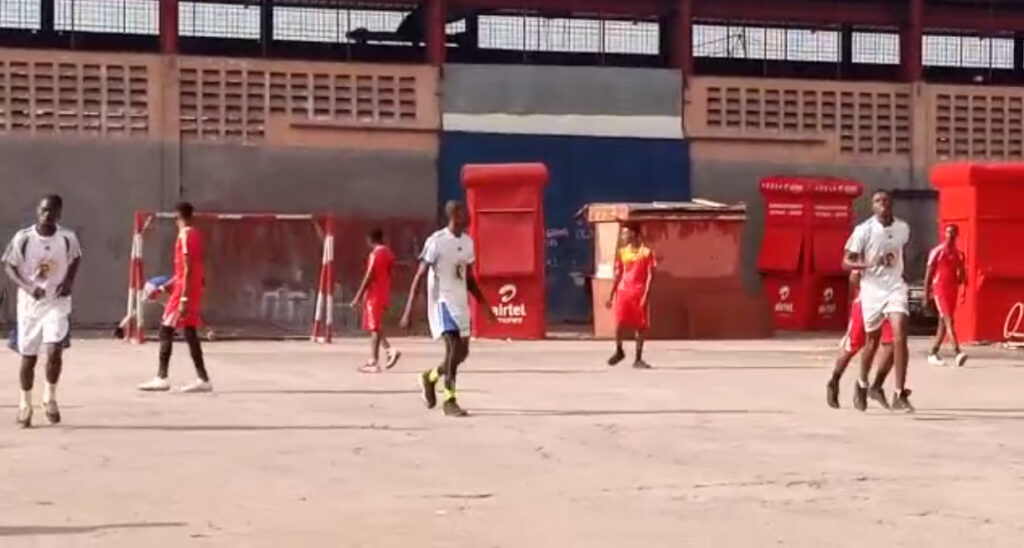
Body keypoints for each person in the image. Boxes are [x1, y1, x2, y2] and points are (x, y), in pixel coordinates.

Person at [399, 201, 494, 417]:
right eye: (463, 212)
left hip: (461, 302)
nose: (467, 215)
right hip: (442, 302)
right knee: (451, 348)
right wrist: (408, 310)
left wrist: (484, 304)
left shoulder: (468, 243)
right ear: (454, 214)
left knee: (461, 353)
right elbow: (420, 275)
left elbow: (468, 278)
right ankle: (450, 401)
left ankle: (430, 377)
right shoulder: (437, 242)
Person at [3, 195, 82, 428]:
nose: (47, 214)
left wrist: (68, 281)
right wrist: (28, 286)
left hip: (56, 302)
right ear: (38, 211)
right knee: (28, 358)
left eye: (52, 211)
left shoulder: (67, 238)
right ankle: (25, 404)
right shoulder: (24, 238)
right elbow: (9, 264)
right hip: (30, 305)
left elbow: (76, 258)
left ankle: (49, 397)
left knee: (54, 348)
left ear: (59, 214)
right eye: (44, 210)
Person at [843, 189, 913, 412]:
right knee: (871, 342)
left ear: (891, 203)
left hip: (895, 287)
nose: (882, 203)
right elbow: (846, 261)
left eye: (885, 200)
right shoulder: (863, 230)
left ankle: (899, 393)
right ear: (872, 206)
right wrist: (869, 265)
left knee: (899, 335)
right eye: (877, 200)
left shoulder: (902, 228)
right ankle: (862, 384)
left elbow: (903, 253)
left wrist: (905, 275)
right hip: (872, 288)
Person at [137, 202, 211, 393]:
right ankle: (203, 378)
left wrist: (183, 297)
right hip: (189, 288)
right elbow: (186, 270)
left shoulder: (185, 236)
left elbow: (187, 268)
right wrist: (165, 286)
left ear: (178, 217)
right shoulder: (196, 235)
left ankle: (162, 377)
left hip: (184, 292)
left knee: (166, 328)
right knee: (189, 331)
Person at [826, 271, 895, 409]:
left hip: (889, 304)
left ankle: (875, 386)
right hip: (866, 304)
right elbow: (854, 277)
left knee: (893, 345)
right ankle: (835, 380)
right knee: (853, 345)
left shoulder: (897, 253)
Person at [349, 228, 401, 373]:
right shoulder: (388, 253)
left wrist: (358, 296)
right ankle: (389, 350)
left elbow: (369, 275)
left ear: (370, 239)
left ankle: (375, 360)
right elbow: (391, 271)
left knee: (374, 328)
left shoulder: (375, 254)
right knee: (376, 327)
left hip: (374, 294)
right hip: (383, 292)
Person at [605, 223, 655, 369]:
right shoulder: (622, 253)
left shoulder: (646, 253)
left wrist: (646, 295)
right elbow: (618, 274)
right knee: (619, 323)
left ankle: (638, 358)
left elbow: (650, 277)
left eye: (625, 233)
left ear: (634, 234)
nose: (623, 236)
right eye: (622, 233)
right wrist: (611, 295)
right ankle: (619, 350)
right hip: (623, 292)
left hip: (638, 293)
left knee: (640, 326)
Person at [925, 224, 967, 367]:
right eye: (948, 232)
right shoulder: (938, 251)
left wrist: (962, 275)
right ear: (945, 234)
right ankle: (957, 352)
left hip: (952, 290)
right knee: (949, 320)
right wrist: (926, 294)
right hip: (940, 288)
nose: (950, 235)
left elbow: (962, 276)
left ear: (957, 235)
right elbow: (929, 274)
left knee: (943, 324)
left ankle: (933, 352)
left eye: (953, 233)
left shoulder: (958, 253)